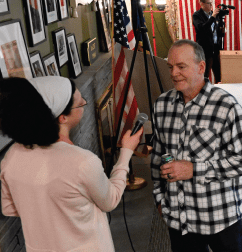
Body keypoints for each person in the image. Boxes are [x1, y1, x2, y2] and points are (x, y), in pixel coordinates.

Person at [0, 76, 143, 252]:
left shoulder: (11, 156)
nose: (84, 101)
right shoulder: (82, 161)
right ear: (62, 118)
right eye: (79, 102)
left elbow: (10, 208)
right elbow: (110, 200)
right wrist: (126, 152)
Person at [151, 39, 242, 252]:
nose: (173, 73)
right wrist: (159, 198)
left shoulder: (226, 106)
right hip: (180, 221)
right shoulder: (162, 105)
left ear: (201, 67)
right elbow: (157, 156)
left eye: (181, 67)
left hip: (220, 219)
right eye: (171, 67)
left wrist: (193, 170)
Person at [192, 0, 223, 82]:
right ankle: (204, 92)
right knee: (205, 74)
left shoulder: (215, 15)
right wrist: (212, 17)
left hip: (216, 49)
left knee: (219, 74)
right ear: (202, 4)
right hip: (205, 50)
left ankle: (218, 91)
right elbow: (202, 28)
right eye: (209, 3)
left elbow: (217, 31)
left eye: (211, 3)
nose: (211, 6)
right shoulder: (197, 15)